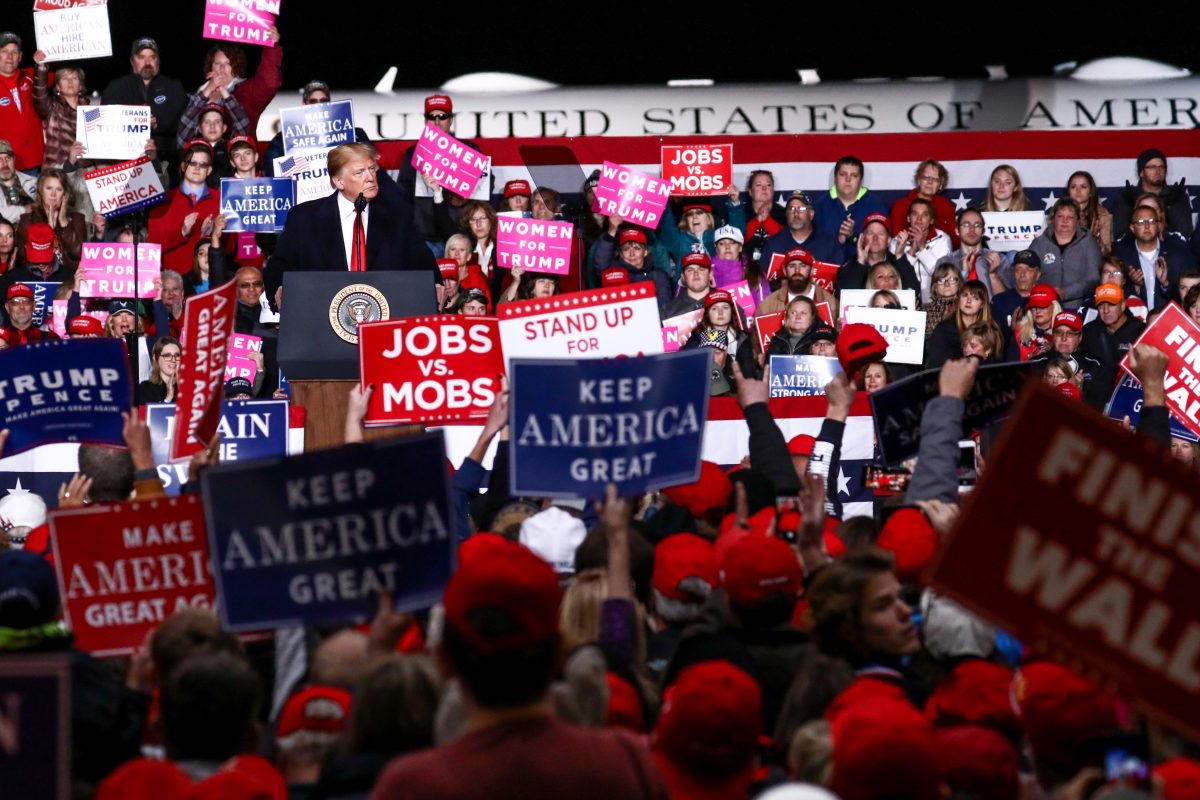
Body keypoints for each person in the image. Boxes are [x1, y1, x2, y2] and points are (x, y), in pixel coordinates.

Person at [370, 538, 668, 800]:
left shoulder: (411, 787)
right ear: (560, 653)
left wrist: (378, 657)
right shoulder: (627, 765)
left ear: (445, 662)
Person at [267, 141, 439, 298]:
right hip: (320, 315)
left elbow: (421, 259)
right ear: (339, 181)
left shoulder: (397, 215)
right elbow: (280, 264)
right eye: (359, 172)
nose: (370, 177)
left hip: (385, 318)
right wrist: (279, 287)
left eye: (371, 169)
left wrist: (436, 283)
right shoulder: (304, 218)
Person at [101, 37, 188, 172]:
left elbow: (184, 120)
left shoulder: (174, 87)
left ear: (158, 61)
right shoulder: (116, 87)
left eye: (152, 57)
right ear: (132, 61)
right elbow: (104, 120)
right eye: (141, 57)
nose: (147, 62)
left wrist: (157, 124)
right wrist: (136, 122)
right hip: (124, 167)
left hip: (166, 166)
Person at [148, 140, 221, 275]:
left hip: (210, 280)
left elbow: (231, 248)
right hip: (174, 282)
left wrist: (216, 233)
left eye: (203, 165)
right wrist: (181, 232)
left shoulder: (220, 200)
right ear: (183, 166)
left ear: (209, 170)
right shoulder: (164, 201)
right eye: (192, 163)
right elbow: (152, 246)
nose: (197, 168)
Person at [194, 33, 282, 137]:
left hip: (236, 151)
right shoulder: (198, 94)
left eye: (228, 64)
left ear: (236, 67)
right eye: (217, 63)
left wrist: (271, 46)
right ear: (210, 67)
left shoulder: (247, 91)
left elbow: (269, 82)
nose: (222, 68)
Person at [1114, 203, 1197, 311]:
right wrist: (1135, 286)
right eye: (1141, 222)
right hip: (1135, 323)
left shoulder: (1177, 255)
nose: (1147, 226)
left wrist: (1165, 284)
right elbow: (1114, 295)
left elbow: (1188, 298)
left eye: (1152, 221)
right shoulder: (1122, 256)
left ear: (1158, 226)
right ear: (1132, 228)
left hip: (1169, 320)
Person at [1027, 197, 1101, 310]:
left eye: (1070, 217)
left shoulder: (1088, 242)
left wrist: (1065, 292)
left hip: (1079, 306)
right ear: (1052, 219)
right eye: (1060, 216)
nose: (1065, 221)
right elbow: (1028, 275)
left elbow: (1093, 278)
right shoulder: (1039, 243)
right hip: (1045, 306)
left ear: (1078, 220)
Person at [812, 156, 888, 260]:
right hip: (829, 271)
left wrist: (853, 236)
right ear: (835, 177)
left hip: (866, 270)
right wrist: (838, 240)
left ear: (861, 180)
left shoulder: (875, 204)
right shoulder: (819, 206)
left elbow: (884, 244)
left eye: (854, 175)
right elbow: (814, 245)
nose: (848, 180)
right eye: (843, 174)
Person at [1080, 283, 1145, 404]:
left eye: (1111, 304)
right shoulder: (1088, 331)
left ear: (1123, 305)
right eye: (1101, 305)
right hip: (1093, 402)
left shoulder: (1140, 331)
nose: (1105, 310)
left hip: (1127, 401)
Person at [15, 168, 87, 271]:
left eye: (59, 189)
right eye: (49, 188)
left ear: (65, 194)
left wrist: (64, 222)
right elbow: (22, 255)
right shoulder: (28, 219)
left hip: (68, 278)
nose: (53, 194)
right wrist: (47, 231)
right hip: (38, 277)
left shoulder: (77, 218)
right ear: (40, 191)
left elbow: (79, 253)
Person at [1112, 148, 1193, 237]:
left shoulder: (1177, 196)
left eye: (1161, 167)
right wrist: (1131, 207)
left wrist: (1171, 207)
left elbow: (1185, 233)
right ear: (1141, 172)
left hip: (1171, 249)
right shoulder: (1126, 196)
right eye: (1152, 167)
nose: (1158, 171)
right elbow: (1120, 237)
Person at [834, 212, 920, 295]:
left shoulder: (899, 263)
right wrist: (860, 263)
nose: (875, 238)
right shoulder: (850, 266)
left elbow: (914, 293)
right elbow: (843, 297)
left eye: (881, 233)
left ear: (889, 241)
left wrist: (900, 257)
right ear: (862, 239)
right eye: (870, 233)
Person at [30, 51, 89, 170]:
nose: (70, 82)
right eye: (65, 78)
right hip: (57, 173)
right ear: (58, 86)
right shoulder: (52, 107)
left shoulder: (91, 111)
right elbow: (39, 93)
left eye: (74, 78)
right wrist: (41, 67)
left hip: (85, 173)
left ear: (81, 86)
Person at [890, 198, 953, 303]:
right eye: (915, 214)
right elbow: (896, 277)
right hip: (905, 300)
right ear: (908, 218)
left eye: (924, 215)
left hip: (936, 302)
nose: (919, 219)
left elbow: (943, 276)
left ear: (931, 220)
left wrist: (922, 248)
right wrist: (913, 251)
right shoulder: (897, 241)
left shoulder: (943, 239)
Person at [760, 192, 841, 271]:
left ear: (811, 214)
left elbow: (839, 278)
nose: (796, 213)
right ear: (786, 214)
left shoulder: (828, 243)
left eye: (801, 209)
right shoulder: (774, 244)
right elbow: (762, 279)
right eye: (791, 208)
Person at [927, 280, 995, 368]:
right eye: (965, 295)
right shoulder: (943, 330)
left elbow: (996, 363)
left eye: (975, 297)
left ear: (982, 304)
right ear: (959, 299)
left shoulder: (991, 330)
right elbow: (935, 365)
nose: (969, 301)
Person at [935, 208, 1003, 297]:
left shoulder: (999, 259)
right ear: (957, 230)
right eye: (966, 225)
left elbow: (1007, 303)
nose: (972, 229)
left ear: (983, 231)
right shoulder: (945, 262)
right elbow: (941, 300)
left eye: (977, 225)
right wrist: (964, 274)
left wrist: (993, 275)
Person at [0, 32, 43, 172]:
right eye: (4, 51)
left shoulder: (32, 75)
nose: (9, 57)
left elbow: (66, 78)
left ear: (20, 56)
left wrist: (43, 61)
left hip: (35, 162)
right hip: (4, 165)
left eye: (14, 52)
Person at [891, 159, 958, 247]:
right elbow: (896, 240)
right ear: (919, 181)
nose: (930, 182)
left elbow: (954, 241)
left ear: (940, 185)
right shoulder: (900, 206)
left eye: (935, 179)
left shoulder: (946, 207)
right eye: (926, 178)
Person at [754, 247, 837, 319]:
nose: (797, 270)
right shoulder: (767, 306)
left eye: (803, 265)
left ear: (812, 270)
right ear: (784, 271)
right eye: (792, 266)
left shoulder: (831, 303)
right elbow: (757, 336)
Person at [741, 169, 786, 266]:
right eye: (758, 185)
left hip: (777, 270)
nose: (764, 188)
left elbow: (787, 242)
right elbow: (735, 240)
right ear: (750, 191)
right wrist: (756, 221)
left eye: (768, 185)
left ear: (773, 190)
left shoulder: (784, 213)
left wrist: (768, 222)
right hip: (746, 270)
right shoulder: (740, 213)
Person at [991, 249, 1041, 331]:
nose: (1022, 274)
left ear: (1038, 275)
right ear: (1013, 272)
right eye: (1018, 269)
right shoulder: (999, 301)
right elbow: (993, 338)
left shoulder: (1047, 300)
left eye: (1028, 270)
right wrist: (1014, 332)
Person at [1066, 170, 1112, 255]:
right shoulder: (1060, 213)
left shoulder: (1101, 214)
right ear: (1068, 192)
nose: (1078, 190)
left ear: (1091, 192)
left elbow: (1107, 252)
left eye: (1083, 187)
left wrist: (1097, 239)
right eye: (1073, 187)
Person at [1013, 283, 1062, 361]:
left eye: (1042, 306)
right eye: (1034, 306)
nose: (1037, 311)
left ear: (1054, 307)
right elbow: (1010, 368)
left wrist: (1054, 349)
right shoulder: (1019, 333)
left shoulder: (1064, 333)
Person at [661, 252, 713, 319]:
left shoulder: (725, 303)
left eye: (701, 269)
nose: (696, 274)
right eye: (690, 270)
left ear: (710, 275)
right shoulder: (668, 311)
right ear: (683, 277)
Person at [0, 139, 36, 224]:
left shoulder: (33, 181)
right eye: (0, 159)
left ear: (14, 160)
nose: (5, 164)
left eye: (8, 158)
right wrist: (24, 210)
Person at [137, 336, 181, 404]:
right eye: (167, 355)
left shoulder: (191, 388)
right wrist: (168, 399)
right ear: (155, 358)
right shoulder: (145, 389)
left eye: (177, 355)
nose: (173, 360)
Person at [923, 262, 963, 335]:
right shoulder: (924, 311)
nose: (946, 284)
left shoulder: (965, 308)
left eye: (951, 279)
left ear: (959, 284)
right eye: (941, 280)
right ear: (935, 287)